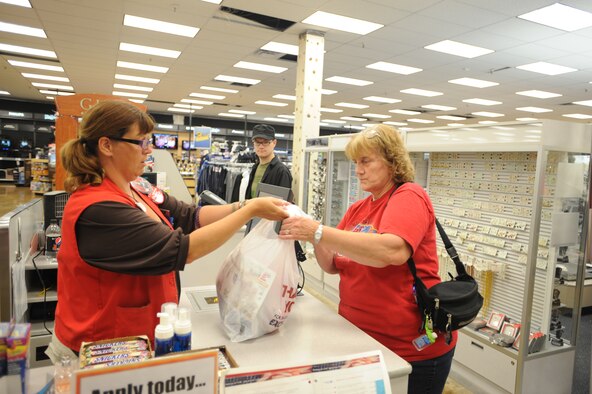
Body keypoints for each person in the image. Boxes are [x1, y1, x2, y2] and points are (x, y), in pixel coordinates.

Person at [46, 100, 289, 362]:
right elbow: (185, 249)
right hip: (98, 350)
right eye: (141, 142)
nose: (148, 150)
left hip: (134, 340)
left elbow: (190, 215)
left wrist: (245, 204)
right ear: (106, 145)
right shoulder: (98, 208)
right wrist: (249, 212)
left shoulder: (137, 186)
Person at [279, 125, 456, 394]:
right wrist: (312, 232)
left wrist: (318, 231)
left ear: (392, 162)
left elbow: (391, 252)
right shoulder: (358, 209)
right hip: (359, 339)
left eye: (366, 161)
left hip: (410, 348)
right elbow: (332, 265)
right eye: (355, 162)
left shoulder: (409, 195)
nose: (358, 170)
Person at [245, 124, 292, 200]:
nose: (261, 146)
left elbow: (283, 204)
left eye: (265, 142)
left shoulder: (281, 171)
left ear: (274, 143)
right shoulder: (254, 168)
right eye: (257, 142)